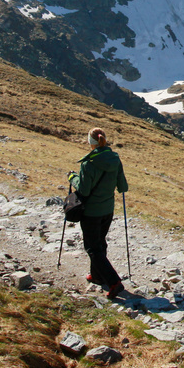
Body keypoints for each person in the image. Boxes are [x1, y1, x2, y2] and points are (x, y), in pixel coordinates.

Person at [68, 127, 129, 299]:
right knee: (100, 243)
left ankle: (114, 282)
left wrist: (73, 178)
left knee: (92, 247)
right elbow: (123, 187)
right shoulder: (115, 159)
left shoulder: (89, 164)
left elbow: (85, 191)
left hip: (91, 212)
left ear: (91, 142)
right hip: (107, 210)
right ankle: (96, 276)